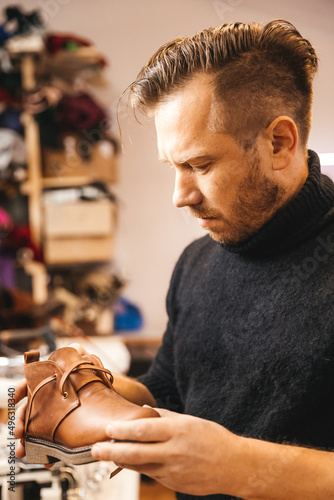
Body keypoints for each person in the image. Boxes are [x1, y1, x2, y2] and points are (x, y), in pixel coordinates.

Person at [15, 19, 334, 500]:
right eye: (174, 167)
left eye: (200, 165)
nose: (179, 196)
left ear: (279, 144)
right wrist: (91, 390)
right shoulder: (196, 263)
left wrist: (241, 468)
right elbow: (168, 393)